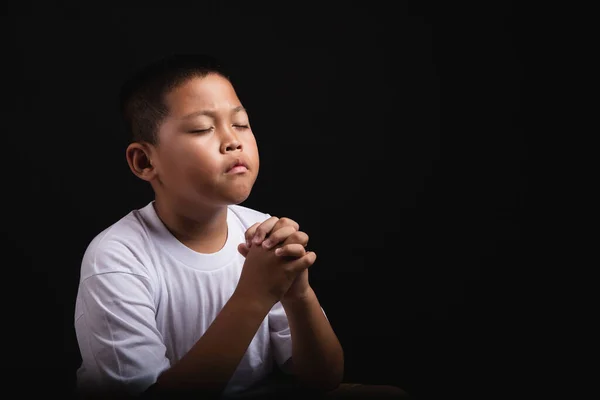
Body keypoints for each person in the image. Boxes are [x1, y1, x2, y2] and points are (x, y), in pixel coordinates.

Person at [73, 54, 409, 399]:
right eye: (203, 128)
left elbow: (323, 378)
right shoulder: (116, 258)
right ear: (145, 161)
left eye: (241, 124)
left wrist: (298, 295)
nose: (232, 141)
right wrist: (256, 294)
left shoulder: (258, 228)